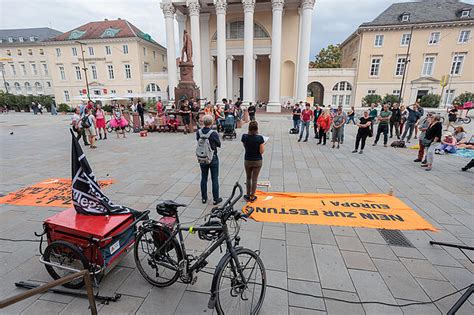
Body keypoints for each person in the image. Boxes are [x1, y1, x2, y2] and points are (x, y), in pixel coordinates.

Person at [197, 115, 222, 205]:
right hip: (212, 157)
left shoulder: (199, 132)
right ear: (211, 122)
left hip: (202, 157)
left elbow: (198, 141)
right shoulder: (213, 133)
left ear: (203, 122)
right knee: (214, 178)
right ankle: (216, 198)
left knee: (204, 177)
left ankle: (204, 198)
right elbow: (218, 144)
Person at [241, 121, 265, 202]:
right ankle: (252, 196)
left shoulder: (244, 137)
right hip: (257, 160)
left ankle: (247, 195)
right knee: (254, 179)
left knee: (248, 178)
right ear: (257, 128)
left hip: (248, 159)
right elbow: (261, 151)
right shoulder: (260, 138)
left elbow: (245, 146)